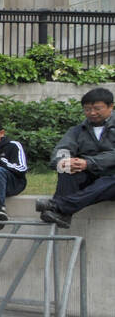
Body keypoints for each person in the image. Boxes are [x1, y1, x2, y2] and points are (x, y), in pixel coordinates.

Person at [37, 87, 115, 228]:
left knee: (109, 181)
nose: (92, 113)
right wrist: (64, 161)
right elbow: (62, 148)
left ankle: (58, 206)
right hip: (91, 178)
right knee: (66, 169)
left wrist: (89, 162)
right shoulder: (77, 131)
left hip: (111, 179)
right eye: (87, 109)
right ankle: (63, 215)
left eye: (97, 108)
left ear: (111, 106)